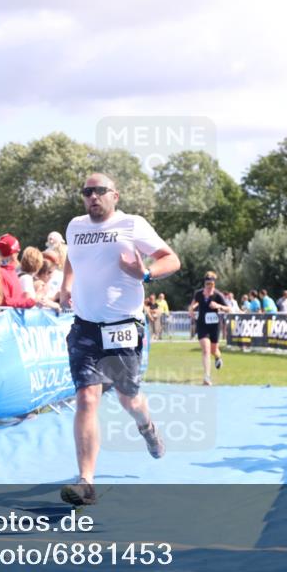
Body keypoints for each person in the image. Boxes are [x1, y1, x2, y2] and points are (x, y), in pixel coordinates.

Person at [58, 172, 180, 506]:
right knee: (86, 398)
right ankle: (86, 482)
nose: (92, 197)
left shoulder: (133, 225)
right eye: (86, 192)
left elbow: (172, 259)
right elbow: (72, 257)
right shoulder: (75, 226)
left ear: (115, 195)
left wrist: (143, 274)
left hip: (122, 327)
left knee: (130, 399)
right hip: (84, 327)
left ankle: (147, 427)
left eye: (99, 191)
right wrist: (66, 284)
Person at [189, 271, 231, 386]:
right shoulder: (198, 294)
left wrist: (219, 306)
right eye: (207, 284)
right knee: (206, 350)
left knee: (213, 350)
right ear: (204, 283)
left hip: (214, 326)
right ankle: (207, 377)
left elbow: (229, 309)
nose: (209, 286)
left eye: (211, 284)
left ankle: (218, 357)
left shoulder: (218, 295)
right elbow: (192, 305)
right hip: (202, 325)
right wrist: (191, 310)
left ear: (214, 284)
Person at [0, 234, 37, 308]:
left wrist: (24, 297)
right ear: (13, 254)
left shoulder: (10, 270)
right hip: (7, 318)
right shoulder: (0, 272)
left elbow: (14, 298)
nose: (18, 254)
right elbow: (6, 302)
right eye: (17, 251)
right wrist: (30, 302)